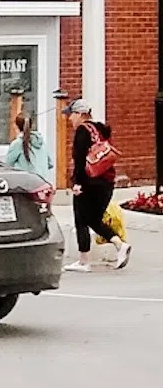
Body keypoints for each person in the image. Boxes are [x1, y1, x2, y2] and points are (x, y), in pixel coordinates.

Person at [66, 100, 131, 273]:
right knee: (93, 219)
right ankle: (119, 245)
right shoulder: (101, 130)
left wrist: (77, 183)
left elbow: (79, 160)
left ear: (80, 114)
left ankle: (83, 261)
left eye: (71, 114)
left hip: (88, 182)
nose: (69, 118)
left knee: (81, 218)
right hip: (107, 182)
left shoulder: (82, 131)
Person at [5, 112, 54, 183]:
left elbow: (7, 166)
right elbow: (50, 164)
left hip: (26, 185)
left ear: (16, 126)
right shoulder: (41, 142)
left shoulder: (17, 144)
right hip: (43, 183)